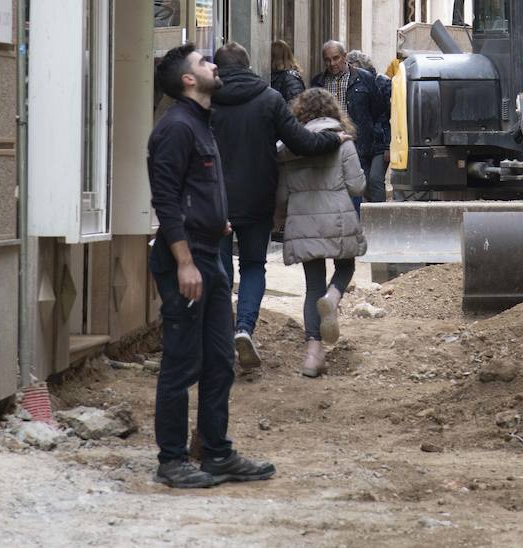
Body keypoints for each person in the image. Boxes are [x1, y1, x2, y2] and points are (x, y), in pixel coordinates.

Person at [147, 44, 274, 488]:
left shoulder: (203, 123)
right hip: (187, 259)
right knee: (182, 363)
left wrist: (215, 219)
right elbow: (164, 200)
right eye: (204, 62)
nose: (213, 65)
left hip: (210, 253)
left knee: (220, 359)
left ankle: (216, 452)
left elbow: (192, 188)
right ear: (187, 79)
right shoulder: (176, 128)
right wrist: (184, 262)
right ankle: (172, 460)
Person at [209, 42, 343, 369]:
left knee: (219, 268)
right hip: (258, 196)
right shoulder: (269, 99)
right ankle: (244, 329)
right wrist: (335, 138)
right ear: (249, 64)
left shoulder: (206, 101)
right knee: (254, 266)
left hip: (215, 199)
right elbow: (301, 141)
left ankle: (221, 336)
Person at [274, 88, 367, 378]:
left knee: (312, 286)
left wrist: (280, 217)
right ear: (333, 110)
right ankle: (334, 298)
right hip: (338, 219)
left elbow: (282, 194)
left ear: (300, 112)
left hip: (303, 221)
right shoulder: (343, 142)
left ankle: (313, 355)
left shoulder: (291, 147)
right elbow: (357, 186)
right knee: (345, 266)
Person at [311, 41, 388, 208]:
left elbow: (379, 112)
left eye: (336, 58)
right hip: (328, 146)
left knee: (355, 195)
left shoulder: (364, 78)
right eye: (327, 60)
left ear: (344, 57)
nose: (332, 64)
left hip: (358, 147)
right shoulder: (318, 82)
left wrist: (376, 140)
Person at [346, 49, 392, 203]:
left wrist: (388, 145)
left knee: (375, 180)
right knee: (363, 181)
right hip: (362, 141)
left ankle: (381, 218)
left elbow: (389, 117)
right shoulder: (351, 83)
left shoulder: (383, 83)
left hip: (381, 140)